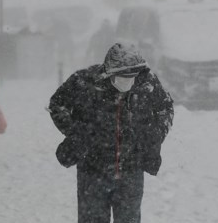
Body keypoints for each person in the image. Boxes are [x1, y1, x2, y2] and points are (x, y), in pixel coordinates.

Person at [49, 43, 174, 223]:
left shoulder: (147, 82)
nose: (127, 82)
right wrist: (77, 133)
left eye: (131, 77)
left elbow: (165, 108)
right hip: (92, 172)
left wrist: (154, 136)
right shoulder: (85, 81)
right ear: (109, 72)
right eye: (122, 77)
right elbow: (57, 104)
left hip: (131, 171)